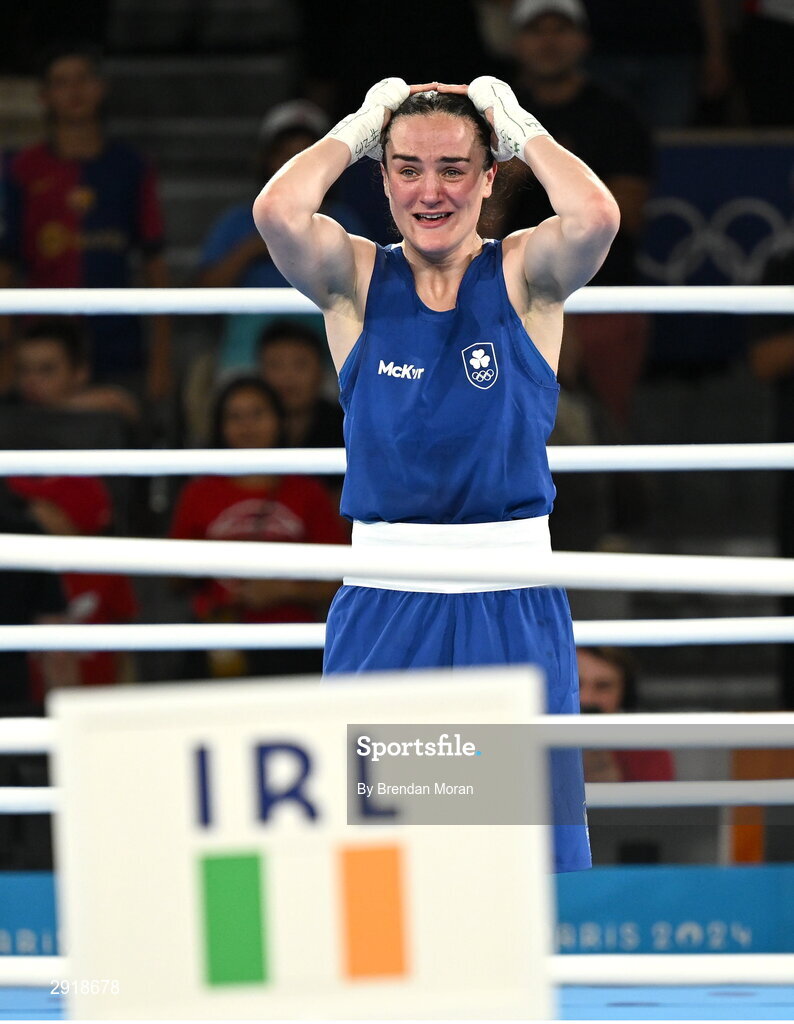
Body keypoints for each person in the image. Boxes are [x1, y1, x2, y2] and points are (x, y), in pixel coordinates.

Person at [253, 76, 620, 872]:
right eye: (409, 168)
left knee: (525, 867)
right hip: (389, 600)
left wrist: (518, 127)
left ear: (490, 179)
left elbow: (595, 216)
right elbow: (277, 213)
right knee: (387, 864)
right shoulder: (353, 278)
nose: (431, 191)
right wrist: (358, 126)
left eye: (454, 169)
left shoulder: (526, 273)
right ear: (382, 179)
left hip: (510, 599)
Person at [501, 0, 654, 430]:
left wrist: (545, 170)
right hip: (512, 300)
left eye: (560, 29)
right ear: (516, 43)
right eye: (537, 30)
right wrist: (510, 179)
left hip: (604, 298)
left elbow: (627, 212)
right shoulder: (492, 120)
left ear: (583, 41)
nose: (549, 42)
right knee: (515, 431)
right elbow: (473, 226)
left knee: (610, 434)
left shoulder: (617, 116)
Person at [0, 43, 172, 400]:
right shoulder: (20, 169)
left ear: (100, 87)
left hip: (117, 339)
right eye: (61, 83)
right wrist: (5, 352)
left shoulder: (132, 167)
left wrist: (162, 355)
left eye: (82, 80)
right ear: (44, 95)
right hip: (41, 349)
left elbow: (153, 262)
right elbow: (6, 264)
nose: (74, 91)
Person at [169, 376, 347, 678]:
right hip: (216, 640)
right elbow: (171, 581)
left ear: (279, 420)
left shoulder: (308, 491)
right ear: (219, 426)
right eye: (235, 416)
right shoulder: (198, 491)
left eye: (257, 414)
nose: (246, 426)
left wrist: (284, 590)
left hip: (292, 642)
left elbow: (342, 577)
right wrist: (209, 558)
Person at [196, 100, 366, 377]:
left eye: (305, 154)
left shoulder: (345, 221)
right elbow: (203, 295)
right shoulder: (238, 222)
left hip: (328, 353)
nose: (295, 164)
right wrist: (251, 250)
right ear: (266, 160)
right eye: (285, 155)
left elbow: (371, 295)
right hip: (247, 356)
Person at [10, 318, 139, 423]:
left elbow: (121, 403)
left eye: (46, 370)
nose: (31, 380)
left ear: (80, 372)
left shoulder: (105, 411)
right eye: (23, 369)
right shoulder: (8, 408)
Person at [577, 646, 675, 782]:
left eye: (603, 686)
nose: (586, 699)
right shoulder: (540, 738)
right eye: (577, 684)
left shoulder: (648, 748)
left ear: (625, 695)